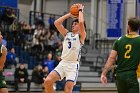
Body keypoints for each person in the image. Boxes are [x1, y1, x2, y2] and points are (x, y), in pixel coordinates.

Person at [44, 3, 86, 93]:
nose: (73, 25)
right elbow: (57, 23)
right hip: (63, 63)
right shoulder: (67, 34)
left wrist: (80, 11)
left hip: (73, 65)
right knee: (47, 81)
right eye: (73, 23)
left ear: (80, 27)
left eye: (75, 24)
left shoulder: (81, 36)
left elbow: (82, 22)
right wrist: (69, 14)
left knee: (67, 89)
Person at [101, 17, 140, 93]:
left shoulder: (119, 40)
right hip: (133, 75)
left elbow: (111, 58)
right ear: (138, 27)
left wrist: (104, 73)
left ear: (128, 26)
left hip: (120, 75)